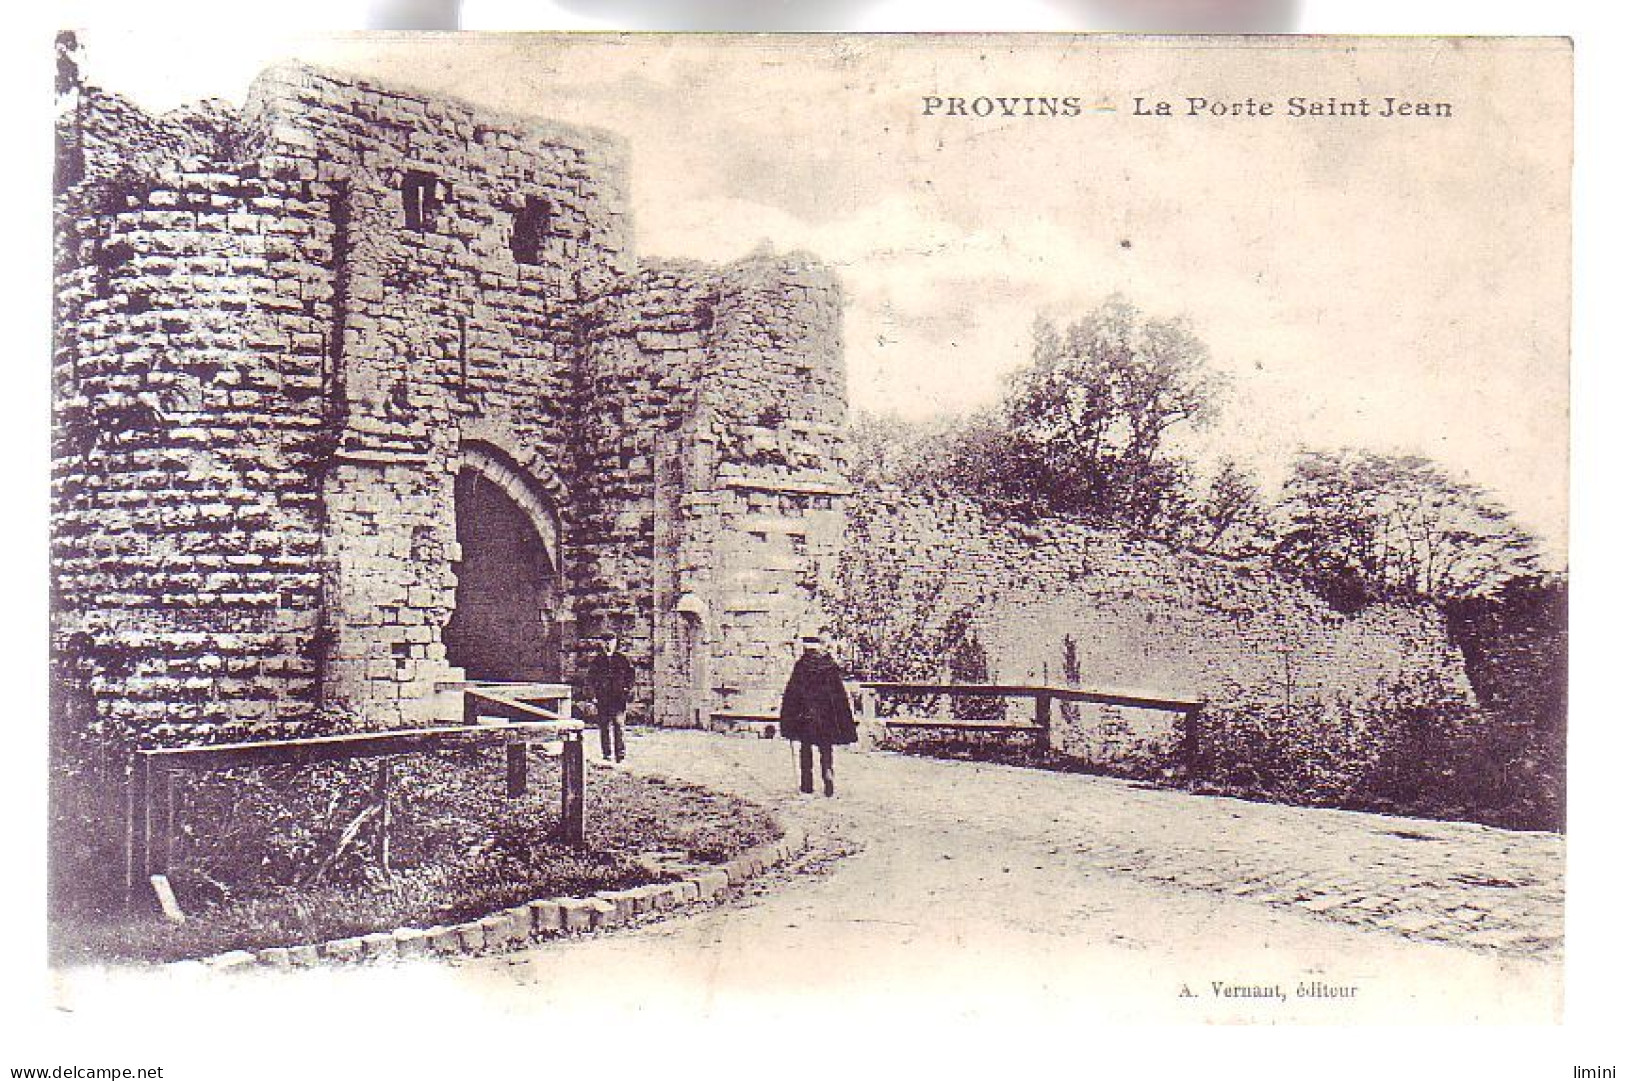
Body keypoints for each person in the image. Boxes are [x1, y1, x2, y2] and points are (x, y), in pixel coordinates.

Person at [777, 630, 858, 796]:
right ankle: (827, 772)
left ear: (806, 647)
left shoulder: (801, 666)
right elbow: (838, 694)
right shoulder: (829, 666)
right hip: (826, 716)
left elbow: (792, 693)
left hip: (806, 715)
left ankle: (807, 784)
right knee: (825, 747)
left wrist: (789, 716)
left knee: (805, 747)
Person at [584, 632, 634, 763]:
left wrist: (626, 690)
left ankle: (620, 754)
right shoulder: (597, 660)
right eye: (605, 641)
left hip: (618, 699)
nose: (608, 644)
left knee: (618, 725)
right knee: (604, 727)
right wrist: (593, 696)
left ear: (615, 643)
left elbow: (631, 676)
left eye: (611, 641)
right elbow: (590, 679)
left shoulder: (622, 659)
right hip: (603, 699)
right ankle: (606, 753)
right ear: (601, 643)